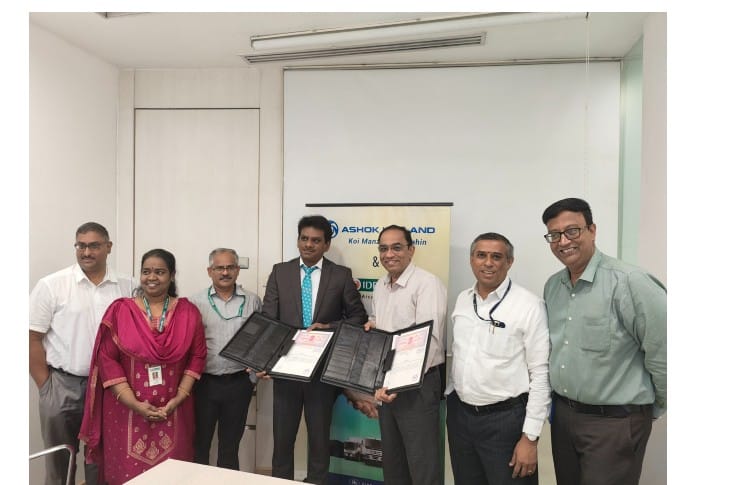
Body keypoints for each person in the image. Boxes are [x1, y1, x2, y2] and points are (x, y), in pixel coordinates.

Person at [541, 197, 666, 485]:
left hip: (615, 423)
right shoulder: (553, 286)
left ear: (592, 230)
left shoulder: (630, 282)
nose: (563, 241)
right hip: (564, 418)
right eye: (554, 235)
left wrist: (651, 409)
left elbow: (665, 351)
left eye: (572, 231)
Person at [78, 248, 207, 485]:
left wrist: (179, 398)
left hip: (174, 408)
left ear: (172, 275)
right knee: (127, 472)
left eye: (160, 272)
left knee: (173, 473)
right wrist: (133, 403)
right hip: (125, 409)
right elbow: (107, 359)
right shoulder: (121, 310)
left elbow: (197, 356)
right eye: (146, 271)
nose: (152, 277)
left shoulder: (188, 312)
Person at [262, 215, 368, 485]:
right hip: (286, 370)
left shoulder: (341, 275)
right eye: (304, 239)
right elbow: (268, 320)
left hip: (322, 372)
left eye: (316, 240)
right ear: (298, 240)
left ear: (326, 245)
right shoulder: (280, 272)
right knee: (282, 440)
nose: (309, 245)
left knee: (320, 441)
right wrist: (264, 360)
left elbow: (358, 317)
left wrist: (328, 328)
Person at [29, 222, 134, 485]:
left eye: (94, 246)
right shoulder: (52, 285)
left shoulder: (128, 286)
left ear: (109, 247)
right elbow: (31, 337)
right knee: (60, 462)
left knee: (103, 460)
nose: (87, 252)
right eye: (81, 246)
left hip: (110, 387)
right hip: (62, 385)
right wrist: (46, 387)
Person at [445, 232, 550, 485]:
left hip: (505, 422)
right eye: (481, 255)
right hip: (461, 417)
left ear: (509, 262)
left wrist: (530, 438)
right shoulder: (463, 299)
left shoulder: (529, 305)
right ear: (472, 259)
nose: (488, 263)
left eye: (496, 257)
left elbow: (541, 373)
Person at [365, 224, 447, 485]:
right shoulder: (381, 285)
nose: (389, 254)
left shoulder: (427, 284)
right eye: (383, 248)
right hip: (387, 384)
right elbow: (383, 324)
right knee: (393, 463)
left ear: (411, 250)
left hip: (417, 386)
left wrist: (396, 382)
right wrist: (372, 326)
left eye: (397, 247)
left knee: (422, 466)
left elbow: (429, 341)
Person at [189, 248, 262, 470]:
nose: (225, 272)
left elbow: (262, 340)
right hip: (204, 384)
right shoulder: (194, 302)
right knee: (200, 445)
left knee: (230, 448)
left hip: (238, 383)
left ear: (237, 270)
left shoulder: (252, 301)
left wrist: (253, 377)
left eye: (230, 267)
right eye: (219, 268)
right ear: (209, 271)